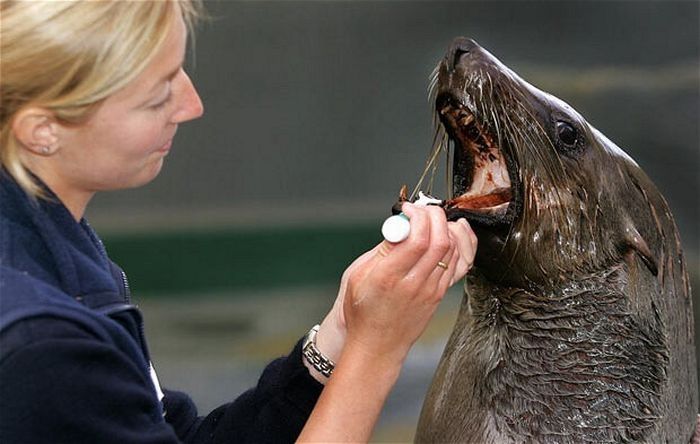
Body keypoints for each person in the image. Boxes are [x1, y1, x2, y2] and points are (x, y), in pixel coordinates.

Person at [0, 1, 478, 442]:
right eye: (157, 95)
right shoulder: (42, 350)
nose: (192, 106)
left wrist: (343, 331)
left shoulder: (47, 241)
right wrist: (377, 353)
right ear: (42, 130)